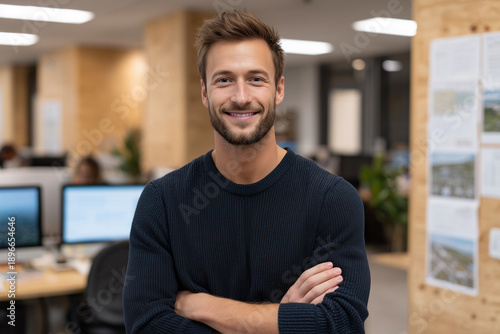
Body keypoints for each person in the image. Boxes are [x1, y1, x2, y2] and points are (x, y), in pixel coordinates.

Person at [123, 11, 370, 334]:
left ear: (278, 89)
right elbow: (146, 325)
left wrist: (203, 306)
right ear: (204, 93)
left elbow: (342, 322)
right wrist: (283, 319)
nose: (241, 97)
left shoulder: (332, 199)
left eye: (256, 78)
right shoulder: (163, 202)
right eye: (224, 80)